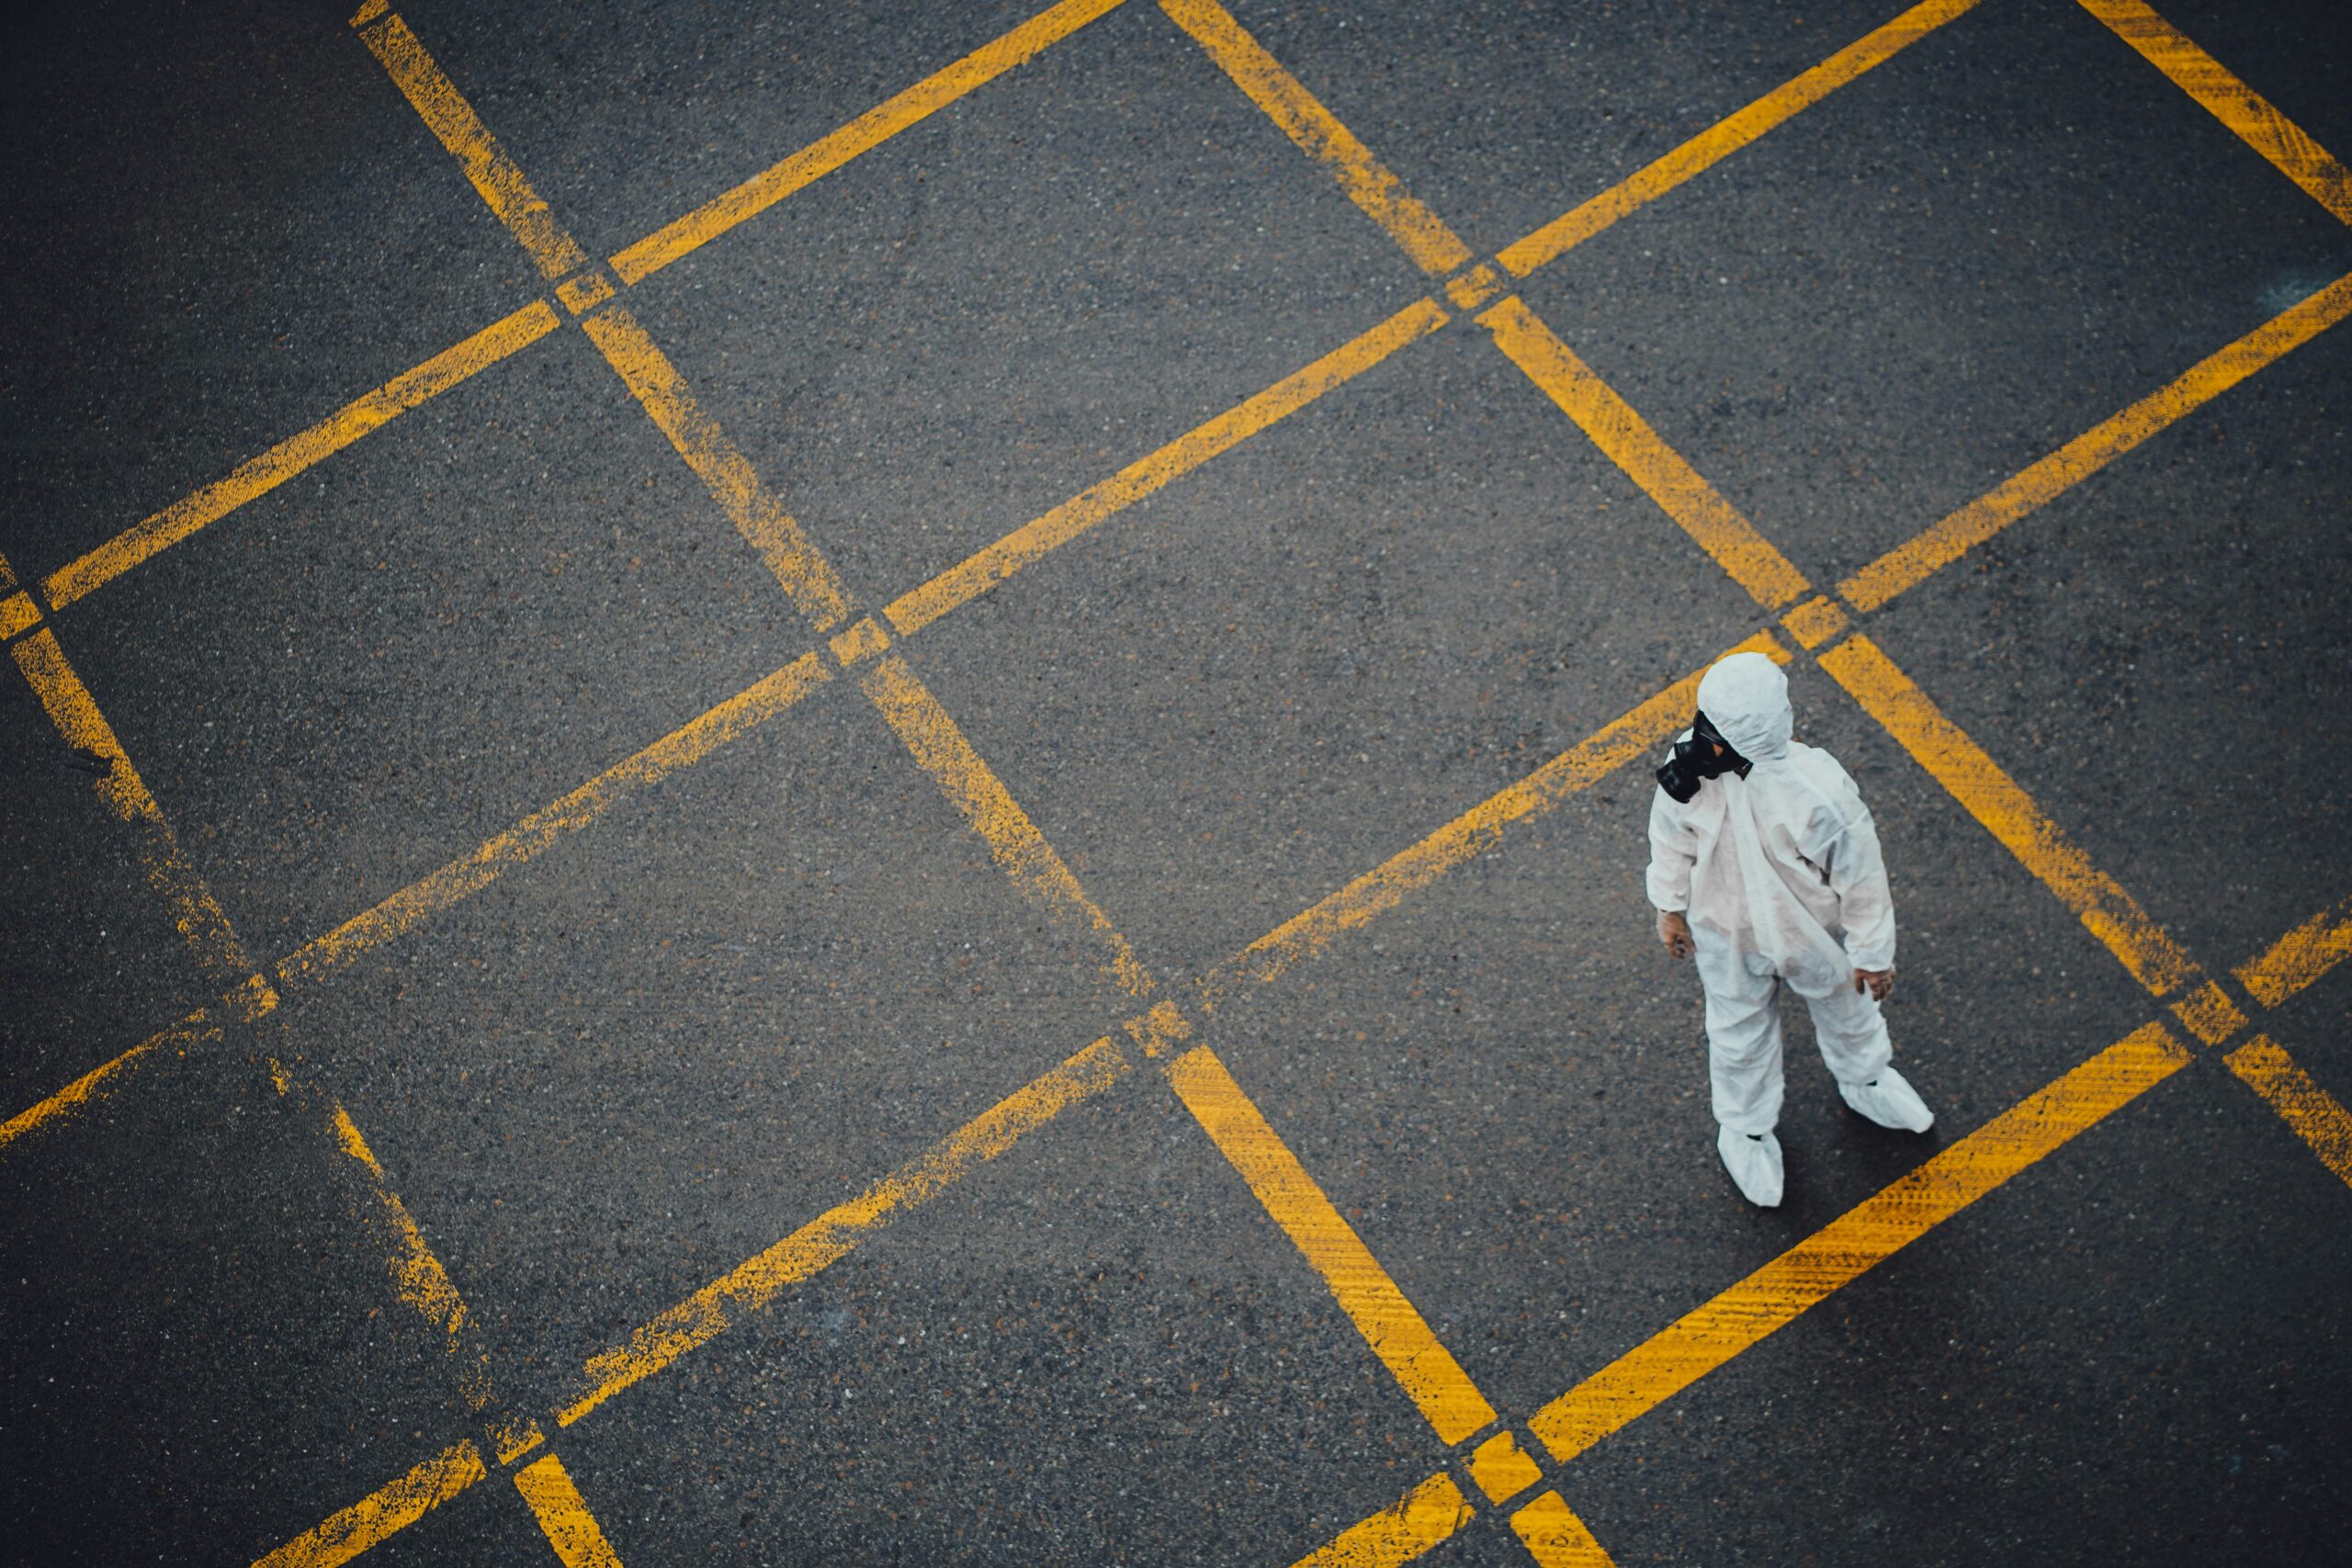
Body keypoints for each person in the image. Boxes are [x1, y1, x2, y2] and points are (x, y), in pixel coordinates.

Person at [1645, 650, 1932, 1207]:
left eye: (1717, 733)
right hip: (1724, 932)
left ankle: (1867, 1079)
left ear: (1749, 736)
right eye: (1704, 727)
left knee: (1848, 1010)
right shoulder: (1691, 768)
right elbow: (1669, 837)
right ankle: (1745, 1128)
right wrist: (1669, 906)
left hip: (1812, 935)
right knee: (1736, 1036)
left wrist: (1872, 952)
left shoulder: (1815, 790)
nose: (1703, 742)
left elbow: (1861, 874)